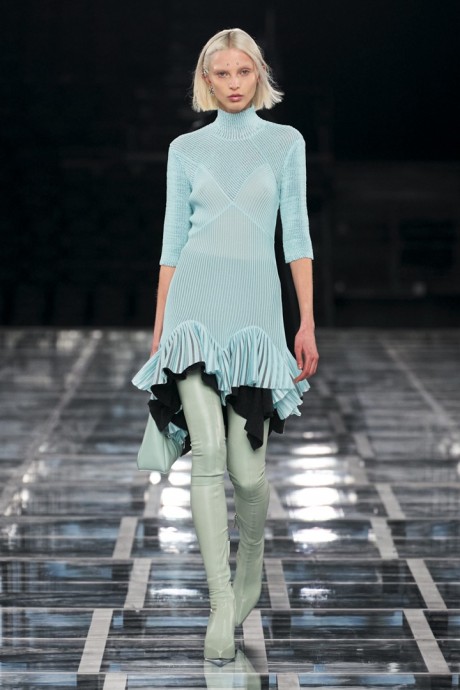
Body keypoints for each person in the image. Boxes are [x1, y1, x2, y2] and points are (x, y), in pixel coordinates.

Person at [132, 27, 319, 665]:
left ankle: (251, 568)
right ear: (206, 81)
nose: (234, 83)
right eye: (222, 73)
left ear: (258, 75)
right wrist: (160, 329)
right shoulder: (185, 149)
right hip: (194, 313)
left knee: (248, 473)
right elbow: (171, 242)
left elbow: (296, 234)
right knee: (208, 453)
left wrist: (306, 322)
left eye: (243, 71)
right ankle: (219, 605)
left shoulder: (285, 143)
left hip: (256, 321)